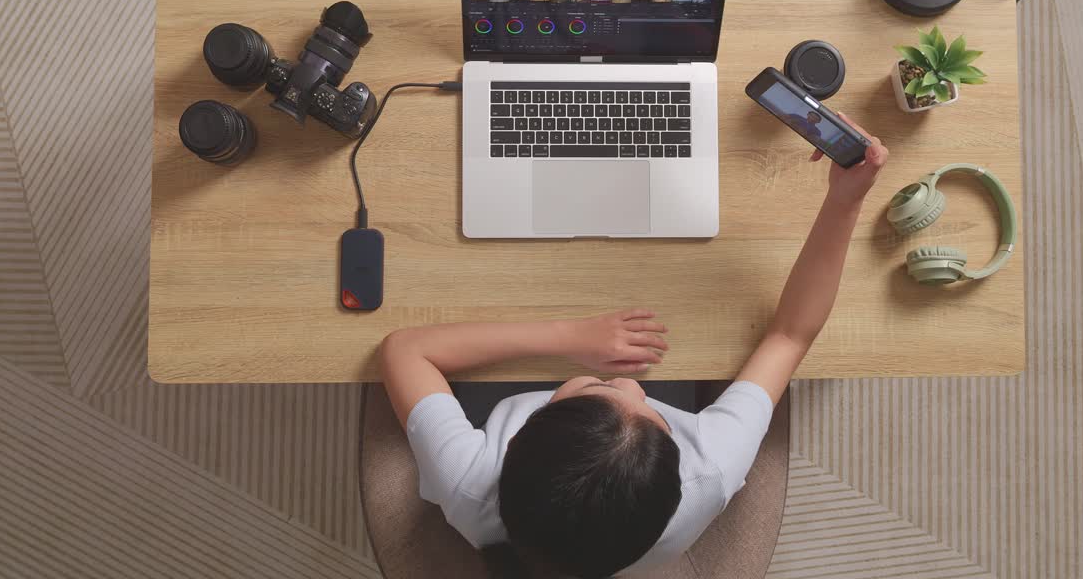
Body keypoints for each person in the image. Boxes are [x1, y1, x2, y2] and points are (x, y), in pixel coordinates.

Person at [380, 114, 889, 578]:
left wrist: (567, 337)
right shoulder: (710, 469)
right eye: (647, 410)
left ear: (513, 445)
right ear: (678, 476)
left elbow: (404, 350)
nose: (628, 384)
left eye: (595, 391)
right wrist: (847, 199)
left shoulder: (469, 485)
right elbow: (790, 336)